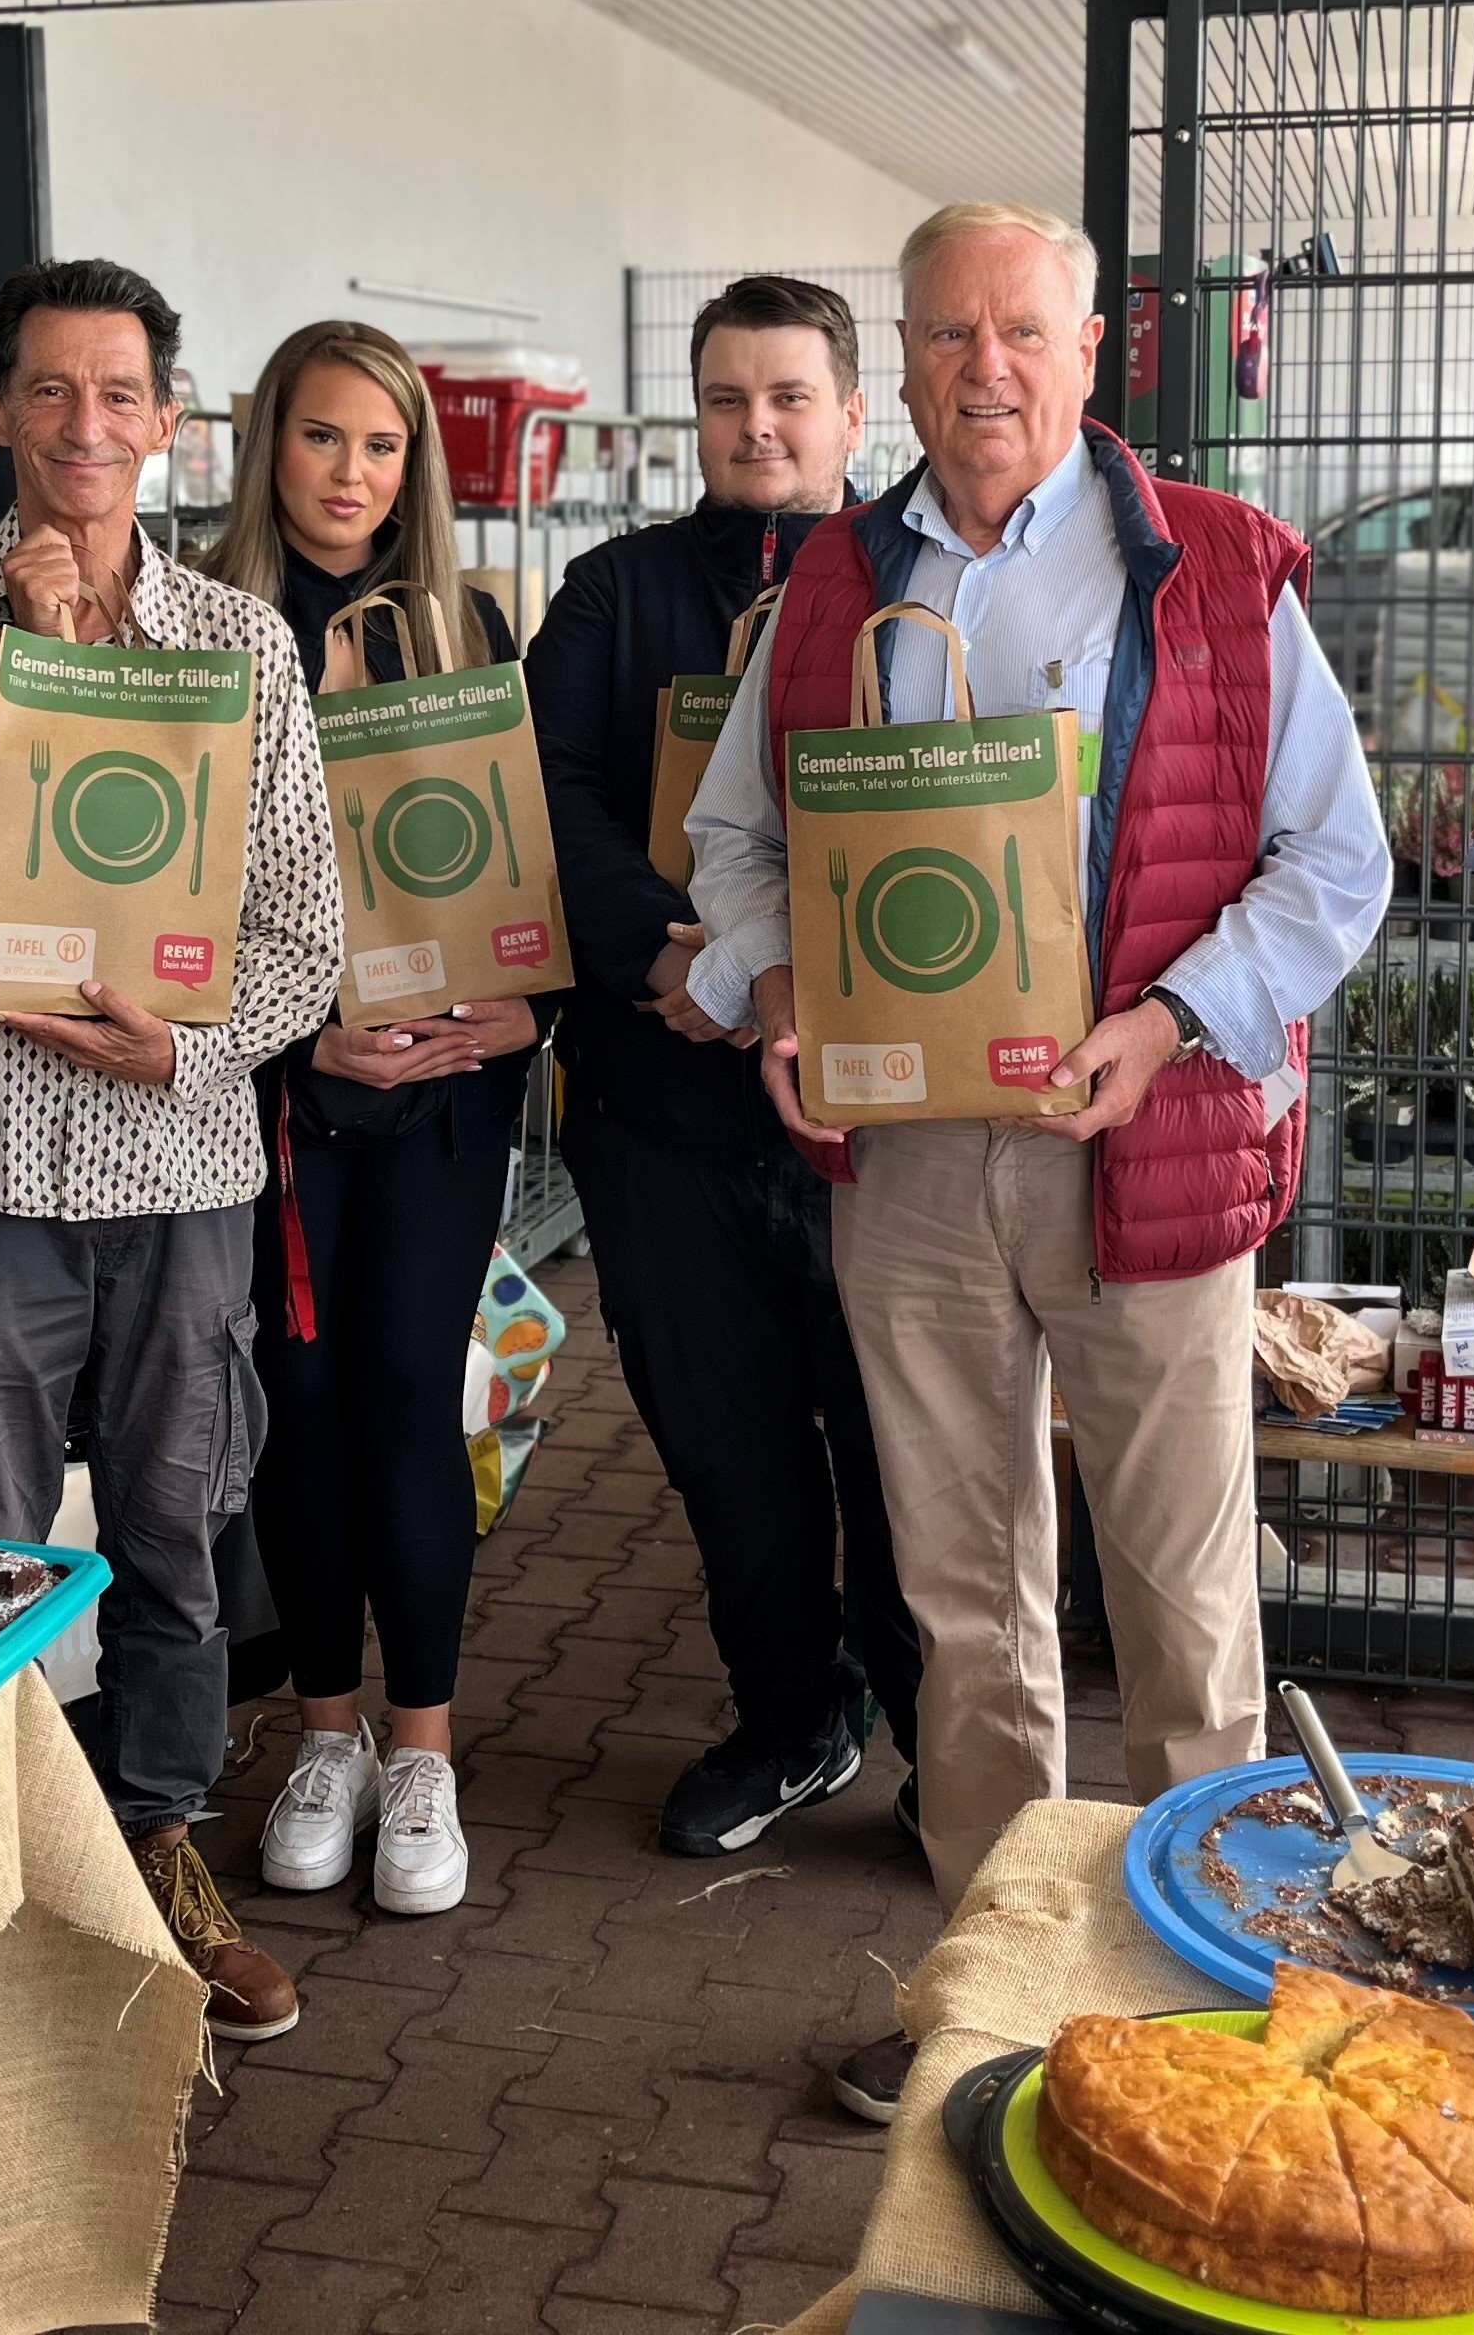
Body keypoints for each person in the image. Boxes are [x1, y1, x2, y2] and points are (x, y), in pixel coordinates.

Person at [681, 200, 1391, 2118]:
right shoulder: (837, 582)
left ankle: (1221, 2015)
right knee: (963, 1597)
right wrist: (775, 1000)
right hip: (911, 1162)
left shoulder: (1218, 570)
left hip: (1143, 1147)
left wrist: (1167, 1025)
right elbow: (735, 839)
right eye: (945, 336)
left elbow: (1340, 866)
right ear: (902, 361)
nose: (983, 369)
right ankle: (997, 1995)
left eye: (1021, 333)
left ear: (1093, 352)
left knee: (1180, 1595)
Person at [0, 256, 341, 2045]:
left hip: (182, 1151)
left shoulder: (240, 645)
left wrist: (182, 1038)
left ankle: (153, 1857)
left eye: (119, 396)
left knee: (177, 1529)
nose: (84, 428)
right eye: (48, 392)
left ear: (170, 426)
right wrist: (22, 660)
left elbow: (300, 930)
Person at [522, 275, 923, 1858]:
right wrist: (662, 956)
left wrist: (782, 977)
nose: (756, 427)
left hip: (865, 1123)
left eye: (788, 398)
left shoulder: (907, 588)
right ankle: (791, 1721)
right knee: (726, 1449)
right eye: (725, 400)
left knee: (901, 1456)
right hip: (662, 1108)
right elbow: (539, 792)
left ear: (849, 413)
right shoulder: (615, 598)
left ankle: (938, 1751)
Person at [203, 320, 543, 1922]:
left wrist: (520, 1007)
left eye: (386, 445)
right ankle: (322, 1733)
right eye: (326, 437)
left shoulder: (468, 627)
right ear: (272, 443)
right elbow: (172, 893)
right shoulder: (206, 627)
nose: (353, 474)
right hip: (277, 1098)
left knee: (414, 1396)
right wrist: (302, 1038)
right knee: (302, 1396)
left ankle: (424, 1750)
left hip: (450, 1088)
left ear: (421, 467)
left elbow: (510, 868)